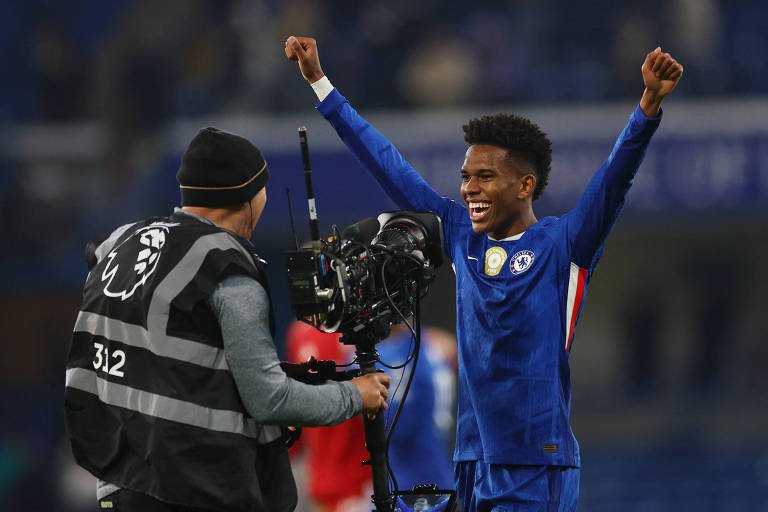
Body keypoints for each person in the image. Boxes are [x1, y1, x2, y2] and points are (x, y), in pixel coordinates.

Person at [285, 35, 683, 511]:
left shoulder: (564, 245)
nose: (469, 188)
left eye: (485, 177)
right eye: (466, 176)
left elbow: (615, 180)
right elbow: (388, 164)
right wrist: (321, 85)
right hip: (472, 460)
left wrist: (648, 108)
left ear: (525, 185)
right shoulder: (461, 236)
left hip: (538, 462)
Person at [63, 126, 391, 512]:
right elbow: (270, 399)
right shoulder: (224, 265)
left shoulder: (118, 245)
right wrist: (357, 393)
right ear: (247, 196)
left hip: (117, 481)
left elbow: (168, 366)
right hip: (198, 488)